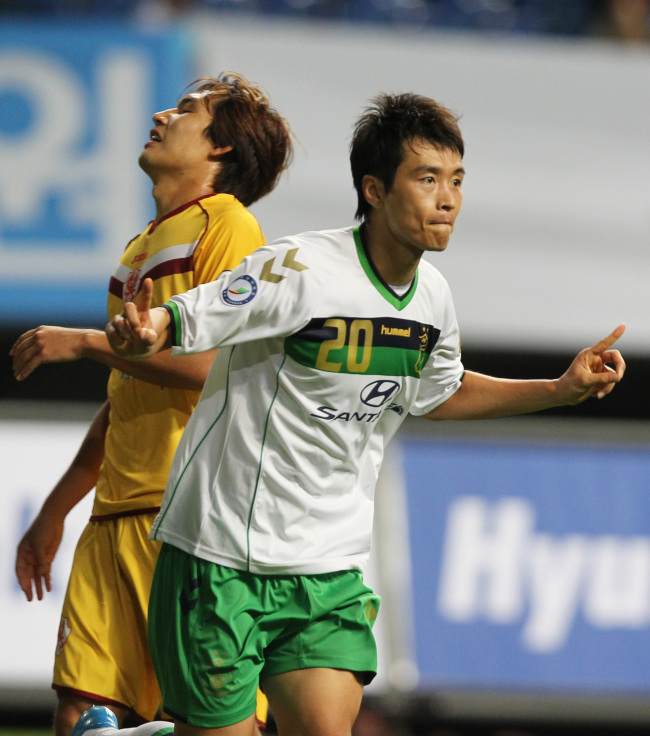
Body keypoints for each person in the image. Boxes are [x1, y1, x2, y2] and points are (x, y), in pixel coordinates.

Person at [91, 91, 624, 736]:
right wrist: (141, 334)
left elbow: (442, 391)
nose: (448, 198)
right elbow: (191, 316)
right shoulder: (301, 268)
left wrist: (557, 389)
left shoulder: (432, 298)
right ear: (374, 189)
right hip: (221, 556)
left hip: (327, 569)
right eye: (426, 179)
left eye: (456, 180)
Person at [11, 72, 293, 736]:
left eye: (190, 111)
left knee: (213, 723)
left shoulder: (230, 228)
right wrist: (56, 509)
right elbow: (129, 392)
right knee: (78, 713)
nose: (166, 113)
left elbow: (212, 367)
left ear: (221, 150)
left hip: (194, 519)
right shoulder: (139, 248)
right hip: (115, 517)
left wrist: (83, 344)